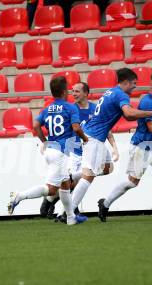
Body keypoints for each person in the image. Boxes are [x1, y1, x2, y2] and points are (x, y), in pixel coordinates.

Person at [69, 68, 152, 217]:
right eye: (134, 83)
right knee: (89, 176)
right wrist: (151, 113)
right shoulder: (121, 95)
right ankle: (69, 211)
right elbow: (130, 113)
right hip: (94, 137)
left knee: (107, 167)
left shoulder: (111, 91)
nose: (135, 87)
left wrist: (139, 114)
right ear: (125, 82)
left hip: (94, 135)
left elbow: (128, 116)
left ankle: (74, 176)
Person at [98, 71, 152, 222]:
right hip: (141, 147)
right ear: (151, 84)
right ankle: (104, 203)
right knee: (132, 182)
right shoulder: (148, 102)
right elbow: (151, 127)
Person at [7, 76, 88, 226]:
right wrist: (85, 139)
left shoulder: (47, 109)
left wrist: (44, 141)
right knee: (51, 189)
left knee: (65, 185)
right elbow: (76, 128)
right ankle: (19, 196)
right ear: (65, 91)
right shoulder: (70, 107)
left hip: (51, 151)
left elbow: (36, 126)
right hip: (61, 153)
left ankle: (70, 218)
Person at [42, 82, 120, 222]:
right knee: (74, 183)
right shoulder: (70, 109)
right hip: (76, 152)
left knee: (108, 168)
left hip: (93, 146)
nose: (74, 94)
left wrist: (114, 147)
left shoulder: (96, 108)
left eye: (77, 91)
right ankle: (58, 207)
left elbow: (106, 130)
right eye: (72, 91)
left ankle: (57, 201)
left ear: (86, 93)